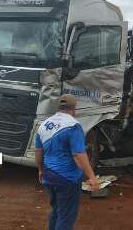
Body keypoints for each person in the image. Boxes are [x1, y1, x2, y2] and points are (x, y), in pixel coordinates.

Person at [35, 94, 100, 230]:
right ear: (74, 109)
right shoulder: (73, 126)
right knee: (66, 217)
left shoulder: (44, 125)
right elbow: (78, 155)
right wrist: (92, 177)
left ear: (58, 107)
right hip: (67, 178)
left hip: (48, 176)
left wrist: (41, 170)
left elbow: (38, 152)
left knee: (57, 210)